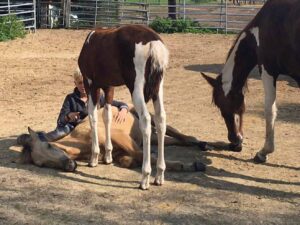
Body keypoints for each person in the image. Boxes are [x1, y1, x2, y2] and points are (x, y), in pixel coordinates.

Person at [40, 68, 129, 142]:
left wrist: (124, 110)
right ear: (75, 83)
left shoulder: (98, 98)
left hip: (93, 130)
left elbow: (120, 104)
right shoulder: (70, 98)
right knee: (58, 134)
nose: (83, 86)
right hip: (72, 128)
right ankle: (38, 139)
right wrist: (68, 116)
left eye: (85, 82)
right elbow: (60, 121)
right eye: (80, 83)